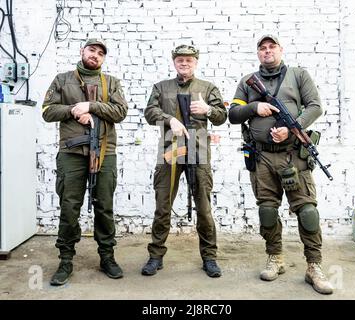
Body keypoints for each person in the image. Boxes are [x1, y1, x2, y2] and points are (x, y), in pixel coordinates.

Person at [228, 34, 333, 294]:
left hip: (294, 155)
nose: (267, 51)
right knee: (267, 210)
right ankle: (276, 257)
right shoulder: (247, 82)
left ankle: (314, 266)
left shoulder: (298, 75)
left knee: (307, 211)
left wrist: (289, 127)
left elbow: (315, 107)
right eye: (262, 48)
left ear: (280, 50)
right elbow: (232, 114)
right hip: (262, 156)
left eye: (271, 46)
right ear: (258, 53)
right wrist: (255, 107)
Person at [42, 38, 128, 285]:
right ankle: (65, 259)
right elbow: (47, 111)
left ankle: (107, 257)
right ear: (82, 51)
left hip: (104, 151)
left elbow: (120, 112)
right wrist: (73, 110)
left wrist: (91, 106)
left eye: (101, 53)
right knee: (69, 206)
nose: (96, 55)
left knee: (104, 206)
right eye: (92, 50)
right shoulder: (62, 79)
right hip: (71, 153)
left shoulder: (111, 82)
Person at [142, 44, 227, 277]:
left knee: (204, 207)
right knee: (163, 205)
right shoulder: (161, 87)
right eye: (180, 59)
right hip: (170, 148)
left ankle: (209, 257)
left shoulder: (208, 88)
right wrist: (169, 119)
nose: (184, 63)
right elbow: (150, 112)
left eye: (189, 60)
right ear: (174, 62)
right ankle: (156, 256)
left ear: (196, 62)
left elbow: (221, 117)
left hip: (198, 148)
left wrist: (209, 109)